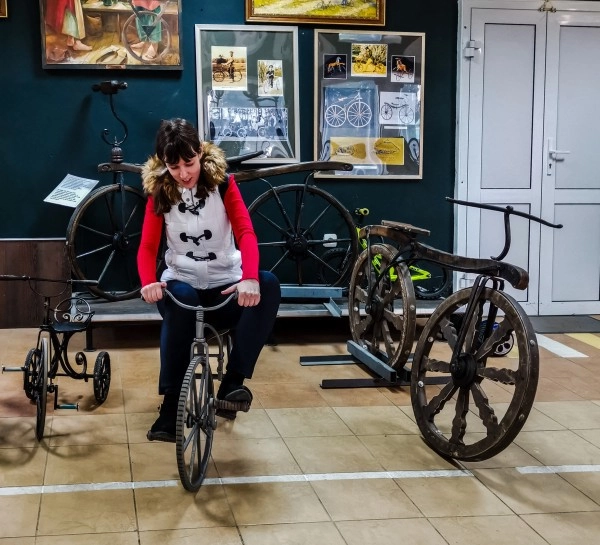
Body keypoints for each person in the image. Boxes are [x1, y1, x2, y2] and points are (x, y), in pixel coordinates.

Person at [137, 118, 280, 442]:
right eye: (174, 167)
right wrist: (148, 281)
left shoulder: (224, 185)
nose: (184, 174)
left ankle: (232, 384)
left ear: (200, 152)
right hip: (181, 286)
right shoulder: (159, 191)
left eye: (189, 163)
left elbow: (245, 232)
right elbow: (147, 246)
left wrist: (249, 278)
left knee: (269, 284)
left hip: (224, 287)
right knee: (183, 298)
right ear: (163, 163)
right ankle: (170, 407)